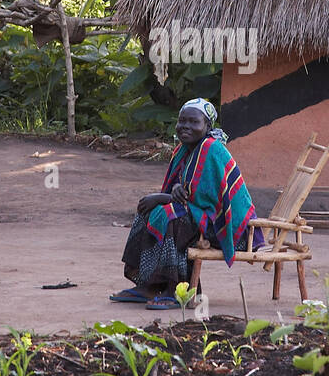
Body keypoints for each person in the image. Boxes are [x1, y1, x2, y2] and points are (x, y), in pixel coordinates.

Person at [111, 98, 262, 310]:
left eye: (193, 122)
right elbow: (181, 191)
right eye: (182, 121)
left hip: (227, 226)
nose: (186, 127)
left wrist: (164, 197)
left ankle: (179, 289)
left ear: (207, 126)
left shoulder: (211, 149)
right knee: (148, 211)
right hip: (202, 215)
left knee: (175, 217)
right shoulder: (184, 149)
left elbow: (205, 199)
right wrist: (170, 194)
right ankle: (149, 285)